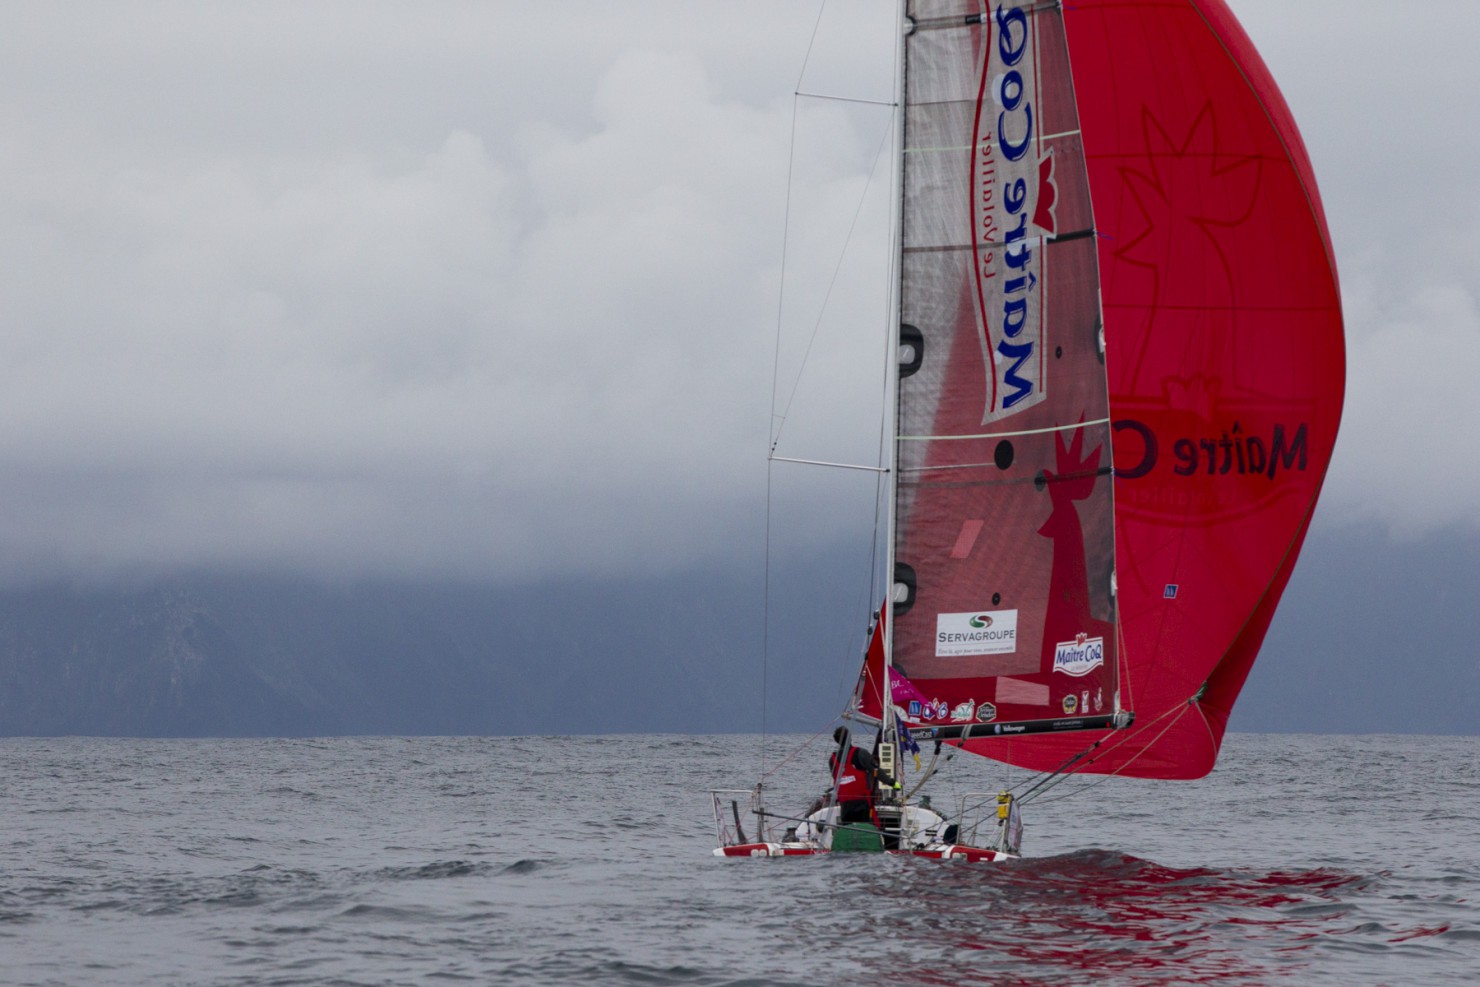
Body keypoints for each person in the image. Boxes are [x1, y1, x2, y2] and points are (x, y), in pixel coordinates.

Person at [829, 726, 882, 826]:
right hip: (862, 803)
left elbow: (835, 777)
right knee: (863, 828)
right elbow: (877, 772)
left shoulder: (832, 759)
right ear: (850, 737)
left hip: (845, 804)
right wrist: (894, 784)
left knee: (848, 828)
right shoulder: (860, 753)